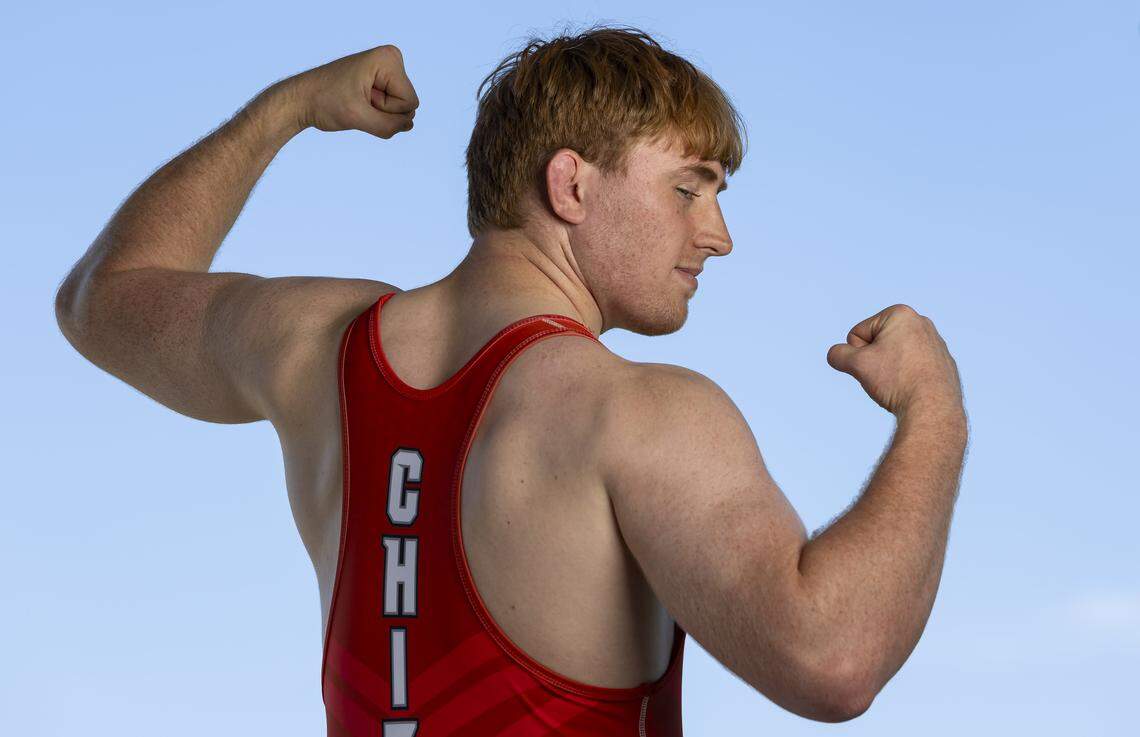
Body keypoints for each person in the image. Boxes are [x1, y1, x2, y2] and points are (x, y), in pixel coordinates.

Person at [54, 25, 968, 735]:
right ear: (570, 186)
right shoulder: (636, 413)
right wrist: (935, 408)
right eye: (688, 188)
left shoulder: (313, 345)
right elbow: (832, 658)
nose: (718, 235)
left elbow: (100, 298)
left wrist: (287, 109)